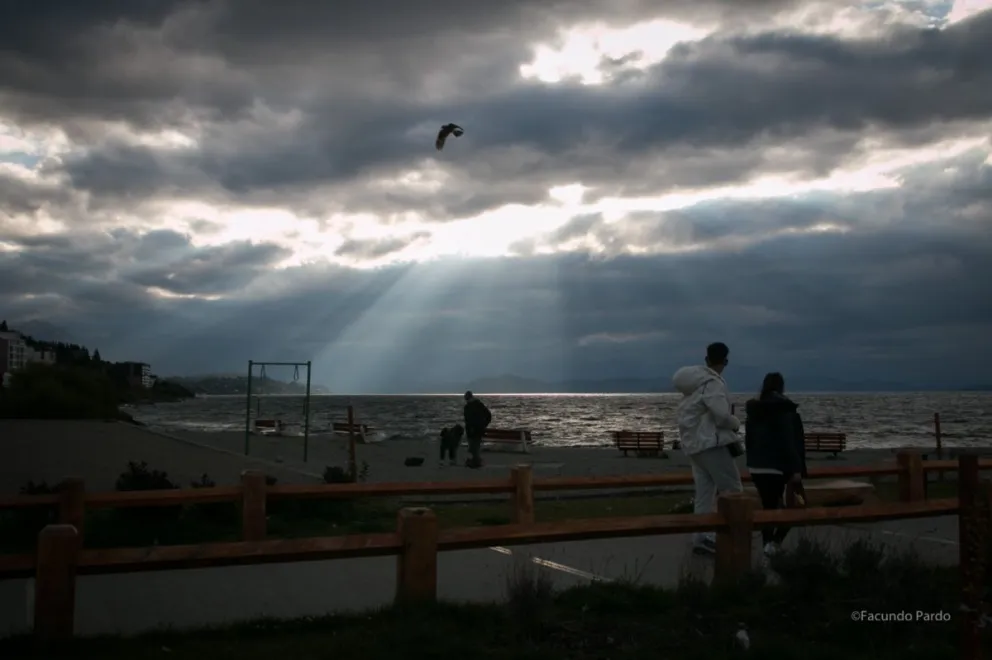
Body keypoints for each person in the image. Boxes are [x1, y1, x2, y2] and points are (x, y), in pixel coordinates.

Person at [672, 342, 744, 555]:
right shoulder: (713, 383)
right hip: (711, 445)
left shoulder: (693, 386)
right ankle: (735, 534)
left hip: (695, 447)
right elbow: (721, 416)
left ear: (706, 359)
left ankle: (701, 537)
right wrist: (735, 423)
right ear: (725, 361)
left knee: (704, 493)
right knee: (733, 489)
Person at [744, 372, 807, 557]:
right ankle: (772, 544)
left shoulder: (754, 410)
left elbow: (749, 440)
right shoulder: (784, 410)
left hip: (756, 466)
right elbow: (790, 442)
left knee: (769, 507)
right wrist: (797, 468)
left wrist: (752, 459)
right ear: (781, 387)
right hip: (778, 467)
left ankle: (768, 545)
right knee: (791, 509)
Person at [463, 391, 492, 469]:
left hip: (476, 430)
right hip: (473, 430)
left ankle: (476, 462)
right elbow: (488, 415)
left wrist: (482, 425)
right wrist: (484, 425)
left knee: (474, 447)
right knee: (473, 447)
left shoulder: (475, 406)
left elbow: (488, 415)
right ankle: (476, 461)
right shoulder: (470, 406)